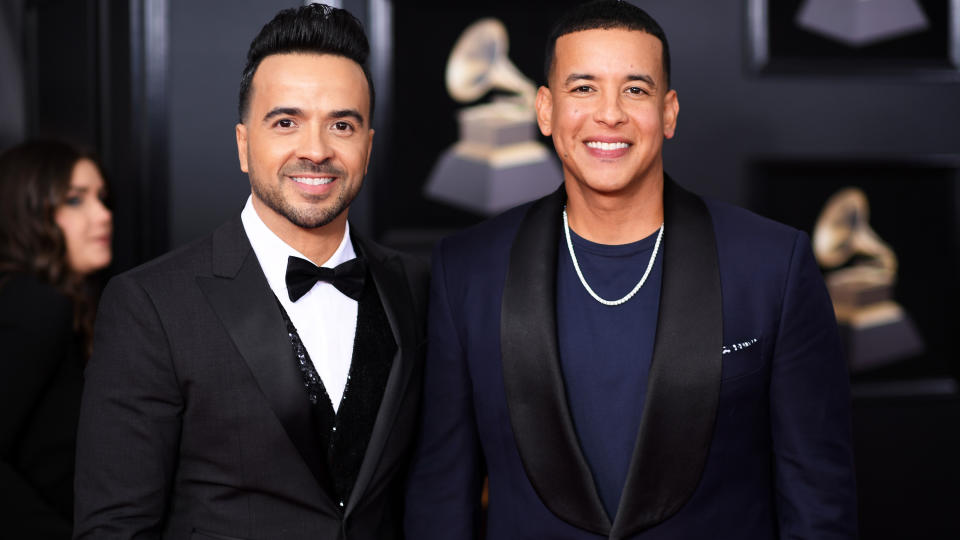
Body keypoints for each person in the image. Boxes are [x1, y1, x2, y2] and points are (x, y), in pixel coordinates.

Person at [404, 1, 857, 539]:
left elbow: (819, 503)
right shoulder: (467, 271)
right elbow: (441, 498)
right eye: (583, 88)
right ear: (545, 110)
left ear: (669, 113)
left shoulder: (773, 266)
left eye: (635, 89)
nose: (610, 114)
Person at [74, 5, 428, 539]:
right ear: (244, 145)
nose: (316, 150)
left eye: (342, 124)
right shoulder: (151, 305)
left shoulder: (417, 287)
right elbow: (115, 528)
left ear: (368, 146)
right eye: (286, 122)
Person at [0, 140, 112, 539]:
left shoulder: (66, 303)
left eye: (101, 198)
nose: (103, 215)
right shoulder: (33, 305)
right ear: (29, 211)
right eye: (75, 201)